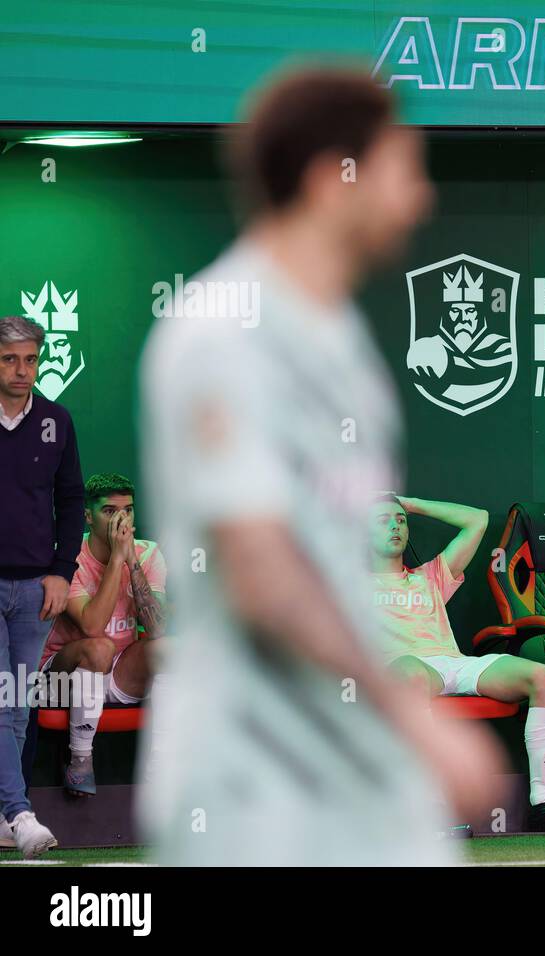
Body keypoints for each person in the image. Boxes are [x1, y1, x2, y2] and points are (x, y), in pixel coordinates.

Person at [138, 67, 503, 865]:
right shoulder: (221, 333)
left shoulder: (344, 344)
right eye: (403, 170)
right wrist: (409, 715)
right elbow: (260, 569)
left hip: (362, 778)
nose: (422, 198)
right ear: (330, 180)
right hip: (250, 793)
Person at [370, 493, 545, 831]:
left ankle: (543, 803)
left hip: (453, 665)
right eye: (382, 521)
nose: (395, 526)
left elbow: (478, 519)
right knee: (410, 671)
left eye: (400, 520)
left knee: (542, 676)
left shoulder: (431, 576)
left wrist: (410, 504)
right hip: (406, 671)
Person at [0, 313, 83, 858]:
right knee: (1, 700)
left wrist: (62, 569)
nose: (21, 370)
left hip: (36, 589)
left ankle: (5, 817)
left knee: (18, 709)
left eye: (31, 359)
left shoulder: (56, 420)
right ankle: (20, 812)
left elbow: (71, 500)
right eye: (9, 359)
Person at [41, 473, 167, 797]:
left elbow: (157, 628)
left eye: (128, 510)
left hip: (118, 670)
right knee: (99, 647)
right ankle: (81, 763)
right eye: (109, 511)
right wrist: (116, 559)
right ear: (87, 516)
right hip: (61, 676)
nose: (121, 519)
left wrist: (132, 560)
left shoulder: (149, 553)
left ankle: (161, 772)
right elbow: (92, 626)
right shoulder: (67, 555)